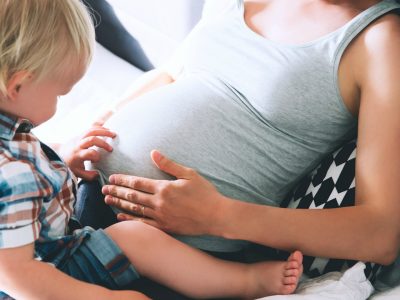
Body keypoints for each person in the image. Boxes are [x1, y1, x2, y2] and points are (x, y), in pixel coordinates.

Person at [74, 0, 400, 297]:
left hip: (183, 265)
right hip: (81, 194)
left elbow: (379, 234)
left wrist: (219, 216)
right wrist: (97, 127)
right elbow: (173, 74)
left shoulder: (381, 42)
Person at [0, 1, 306, 300]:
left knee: (135, 238)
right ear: (18, 86)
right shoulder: (14, 174)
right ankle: (247, 281)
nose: (58, 102)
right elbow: (20, 279)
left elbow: (25, 160)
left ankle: (248, 281)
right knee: (137, 239)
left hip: (45, 247)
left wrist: (60, 158)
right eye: (59, 93)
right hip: (48, 269)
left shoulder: (11, 133)